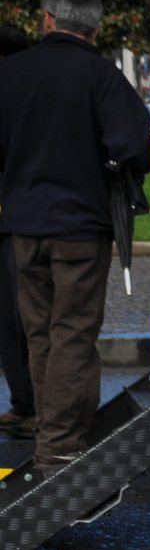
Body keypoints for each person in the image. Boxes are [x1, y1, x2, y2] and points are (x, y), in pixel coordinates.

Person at [0, 0, 150, 473]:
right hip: (81, 228)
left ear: (47, 21)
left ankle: (51, 430)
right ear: (95, 27)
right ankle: (61, 447)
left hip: (23, 225)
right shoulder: (101, 75)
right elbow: (133, 147)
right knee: (72, 334)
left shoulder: (12, 72)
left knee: (40, 335)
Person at [0, 24, 37, 440]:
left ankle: (31, 405)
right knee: (8, 323)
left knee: (21, 316)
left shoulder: (17, 95)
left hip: (17, 218)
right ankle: (22, 403)